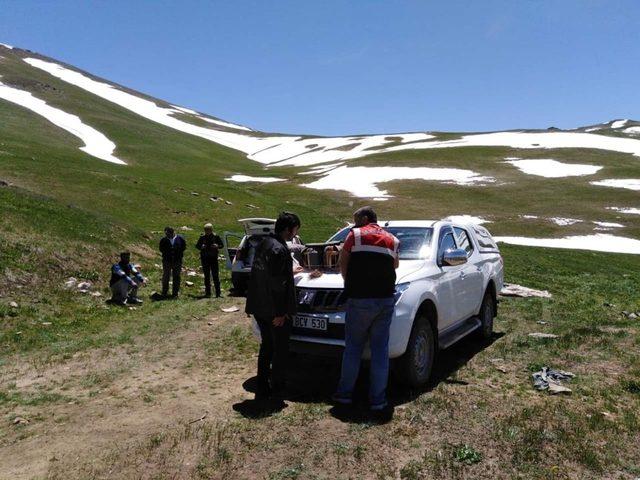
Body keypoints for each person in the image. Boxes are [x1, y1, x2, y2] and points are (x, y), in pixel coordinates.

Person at [333, 206, 399, 414]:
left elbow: (343, 261)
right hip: (385, 299)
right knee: (380, 351)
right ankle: (378, 400)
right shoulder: (392, 239)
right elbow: (395, 265)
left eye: (356, 219)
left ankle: (344, 395)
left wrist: (348, 281)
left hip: (360, 298)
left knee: (353, 347)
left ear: (365, 218)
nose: (354, 224)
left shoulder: (356, 235)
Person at [245, 211, 301, 402]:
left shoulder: (265, 244)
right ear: (287, 229)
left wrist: (289, 269)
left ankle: (262, 385)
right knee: (280, 349)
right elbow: (278, 285)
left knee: (267, 346)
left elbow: (265, 274)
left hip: (259, 305)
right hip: (273, 310)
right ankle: (278, 387)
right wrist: (280, 313)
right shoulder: (280, 249)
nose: (294, 234)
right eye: (295, 230)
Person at [196, 223, 224, 297]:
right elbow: (197, 246)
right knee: (207, 276)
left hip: (213, 258)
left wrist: (217, 246)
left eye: (208, 229)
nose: (207, 231)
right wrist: (201, 246)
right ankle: (208, 293)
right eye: (206, 230)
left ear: (211, 229)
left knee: (215, 276)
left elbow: (222, 245)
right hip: (205, 258)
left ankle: (218, 293)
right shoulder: (202, 237)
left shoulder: (216, 236)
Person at [159, 226, 186, 298]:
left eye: (168, 233)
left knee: (176, 277)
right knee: (166, 276)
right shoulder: (163, 240)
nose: (167, 235)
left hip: (177, 261)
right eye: (166, 234)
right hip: (167, 261)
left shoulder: (180, 238)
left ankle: (175, 293)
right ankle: (164, 292)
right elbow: (161, 249)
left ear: (172, 232)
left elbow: (183, 247)